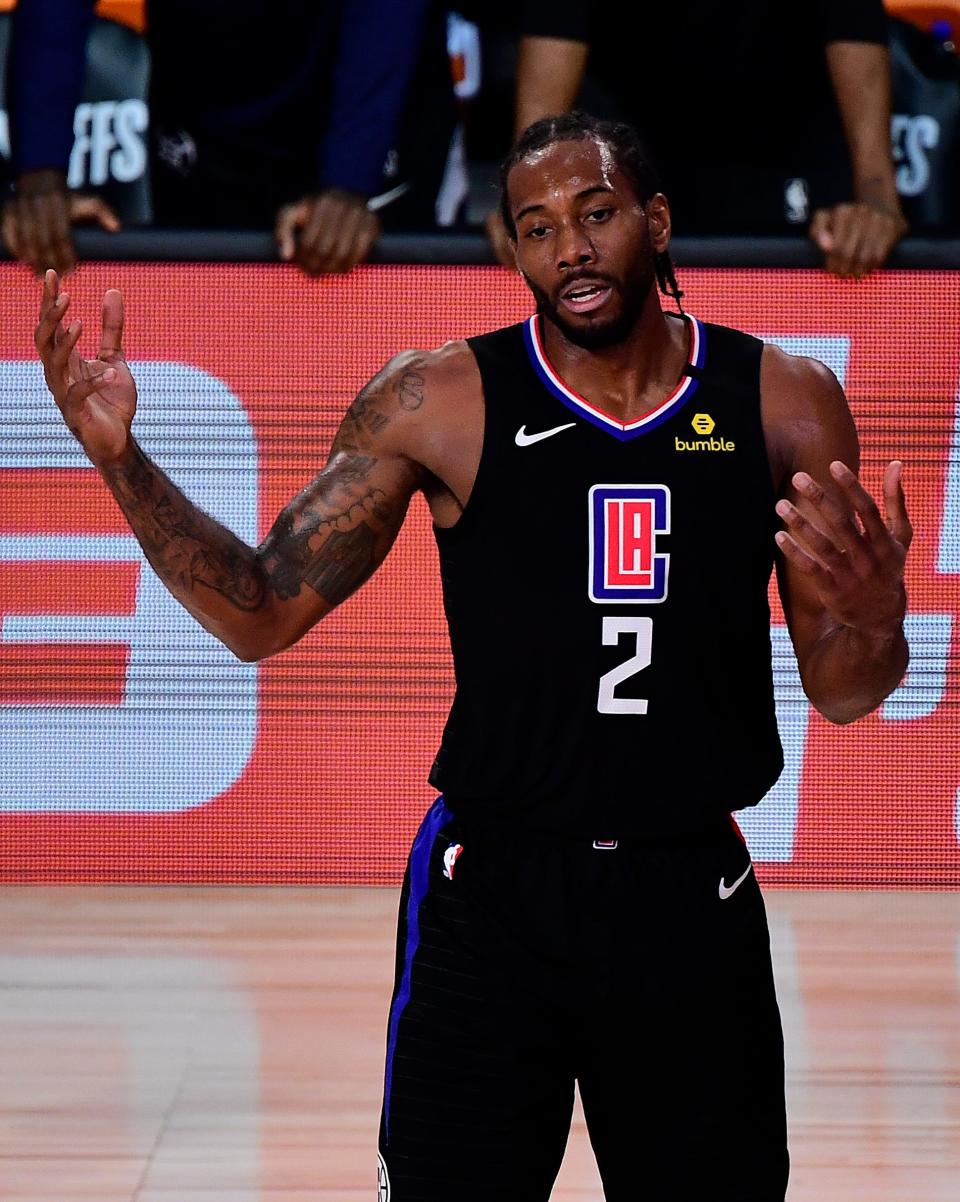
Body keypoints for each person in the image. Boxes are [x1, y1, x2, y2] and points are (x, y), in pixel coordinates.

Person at [34, 111, 911, 1199]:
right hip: (491, 899)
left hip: (688, 898)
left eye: (596, 214)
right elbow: (256, 610)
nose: (571, 249)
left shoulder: (785, 400)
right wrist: (121, 457)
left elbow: (843, 690)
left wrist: (875, 617)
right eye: (536, 228)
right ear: (513, 250)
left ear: (657, 219)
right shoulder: (436, 400)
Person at [5, 0, 462, 278]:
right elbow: (54, 9)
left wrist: (350, 177)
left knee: (375, 361)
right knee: (209, 340)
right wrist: (40, 175)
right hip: (203, 119)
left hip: (371, 121)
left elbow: (386, 14)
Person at [484, 0, 909, 279]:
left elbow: (852, 24)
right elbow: (556, 30)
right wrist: (526, 202)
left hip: (782, 149)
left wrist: (876, 201)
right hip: (634, 152)